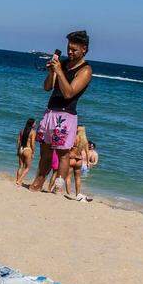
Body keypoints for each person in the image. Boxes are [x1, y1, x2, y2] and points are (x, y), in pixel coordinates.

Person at [30, 31, 92, 194]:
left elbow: (69, 93)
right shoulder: (62, 64)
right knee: (45, 150)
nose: (70, 52)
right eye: (68, 48)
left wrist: (59, 72)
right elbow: (47, 87)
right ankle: (39, 179)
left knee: (63, 154)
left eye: (74, 49)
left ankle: (57, 186)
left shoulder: (86, 70)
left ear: (84, 49)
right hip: (50, 111)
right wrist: (52, 72)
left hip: (66, 115)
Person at [65, 126, 90, 202]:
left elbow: (68, 148)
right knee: (78, 178)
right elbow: (87, 153)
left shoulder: (73, 137)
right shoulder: (85, 141)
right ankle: (78, 194)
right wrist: (88, 162)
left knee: (68, 177)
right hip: (79, 160)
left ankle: (69, 193)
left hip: (72, 158)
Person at [15, 117, 37, 186]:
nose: (36, 124)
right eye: (35, 123)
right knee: (27, 167)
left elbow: (18, 141)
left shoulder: (22, 130)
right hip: (28, 149)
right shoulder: (33, 132)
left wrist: (18, 150)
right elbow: (32, 143)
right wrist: (33, 151)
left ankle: (17, 180)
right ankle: (19, 181)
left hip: (21, 148)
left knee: (20, 166)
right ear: (32, 124)